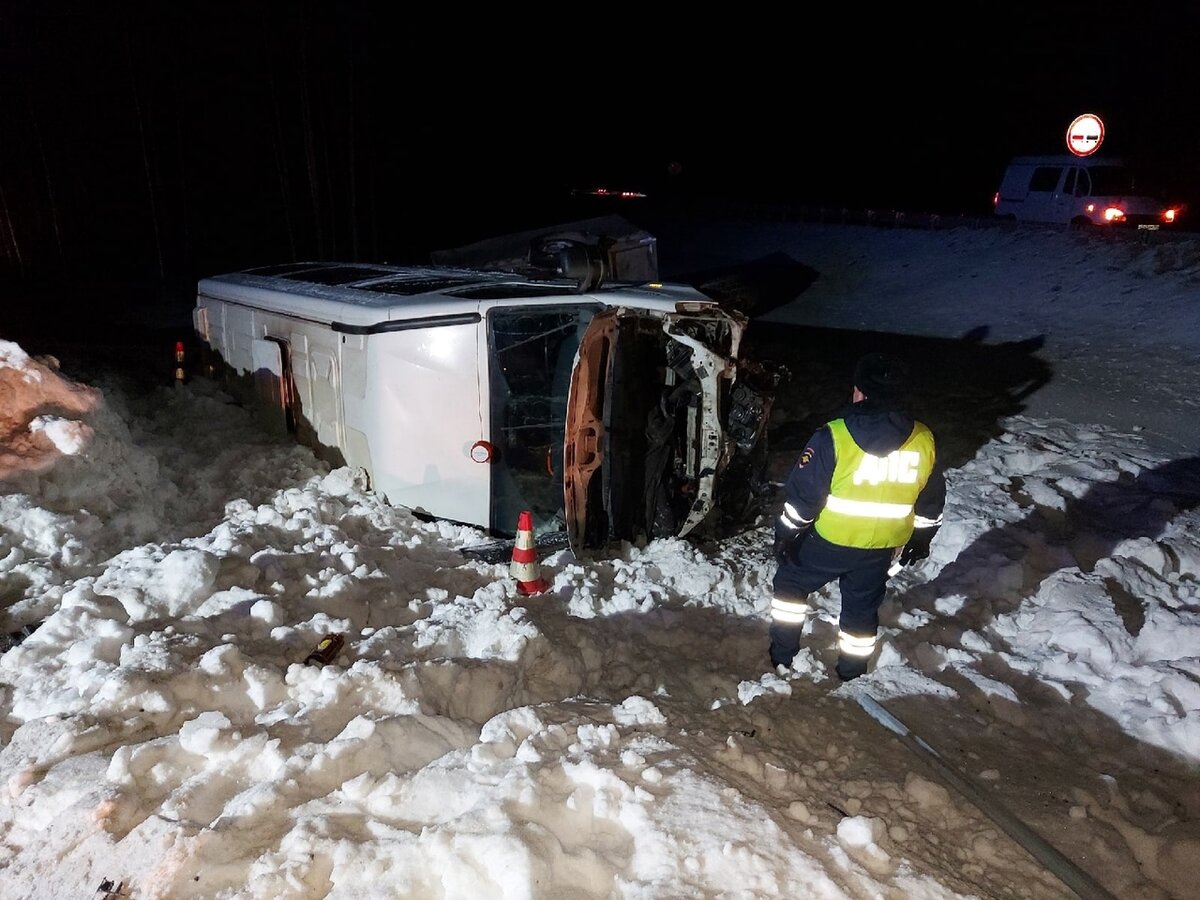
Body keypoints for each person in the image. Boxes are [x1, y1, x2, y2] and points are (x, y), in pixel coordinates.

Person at [769, 353, 945, 681]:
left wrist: (786, 532)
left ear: (860, 393)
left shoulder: (833, 437)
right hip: (880, 548)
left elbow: (806, 498)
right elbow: (931, 499)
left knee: (790, 585)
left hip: (830, 541)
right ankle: (852, 672)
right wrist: (922, 536)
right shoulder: (924, 439)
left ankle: (782, 656)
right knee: (861, 609)